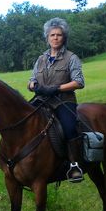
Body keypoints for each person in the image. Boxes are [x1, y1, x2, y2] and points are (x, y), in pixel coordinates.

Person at [27, 17, 85, 183]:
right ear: (47, 38)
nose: (55, 38)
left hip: (63, 101)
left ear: (64, 37)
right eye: (52, 35)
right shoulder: (41, 59)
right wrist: (33, 85)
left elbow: (79, 82)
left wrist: (57, 88)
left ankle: (74, 165)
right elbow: (31, 79)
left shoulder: (71, 57)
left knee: (68, 127)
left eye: (59, 35)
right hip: (42, 99)